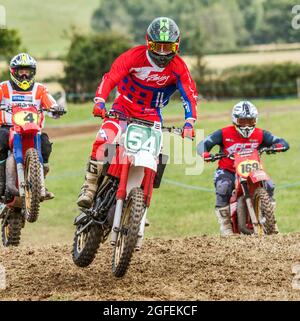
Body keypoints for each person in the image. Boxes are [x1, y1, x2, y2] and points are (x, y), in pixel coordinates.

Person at [77, 16, 198, 208]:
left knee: (155, 155)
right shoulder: (133, 57)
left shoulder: (179, 68)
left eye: (168, 47)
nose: (162, 52)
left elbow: (189, 96)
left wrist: (189, 122)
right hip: (122, 107)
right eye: (158, 46)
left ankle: (139, 205)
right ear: (148, 43)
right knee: (104, 139)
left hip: (151, 114)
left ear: (177, 46)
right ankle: (90, 185)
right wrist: (100, 101)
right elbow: (111, 77)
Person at [197, 100, 289, 236]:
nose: (246, 125)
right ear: (235, 120)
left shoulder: (260, 134)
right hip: (228, 170)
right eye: (242, 121)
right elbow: (203, 143)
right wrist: (205, 154)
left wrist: (277, 147)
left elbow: (282, 142)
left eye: (250, 121)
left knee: (269, 184)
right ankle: (225, 225)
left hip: (254, 170)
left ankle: (271, 221)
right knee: (223, 186)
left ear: (255, 120)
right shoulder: (224, 133)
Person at [0, 53, 65, 199]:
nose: (24, 75)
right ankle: (1, 183)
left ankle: (39, 184)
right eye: (20, 71)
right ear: (13, 72)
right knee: (1, 139)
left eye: (27, 71)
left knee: (46, 144)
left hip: (32, 130)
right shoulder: (3, 87)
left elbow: (50, 102)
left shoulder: (40, 89)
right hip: (8, 128)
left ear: (33, 72)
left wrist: (56, 107)